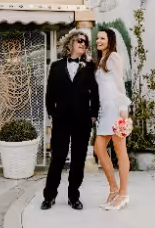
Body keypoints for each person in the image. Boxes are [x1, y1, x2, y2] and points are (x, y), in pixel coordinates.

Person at [41, 30, 99, 211]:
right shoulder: (56, 66)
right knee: (57, 158)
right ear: (70, 43)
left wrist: (93, 114)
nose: (83, 44)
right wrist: (53, 112)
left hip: (82, 121)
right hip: (62, 120)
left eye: (85, 42)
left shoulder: (89, 67)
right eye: (79, 41)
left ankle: (74, 197)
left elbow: (95, 93)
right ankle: (49, 196)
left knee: (78, 159)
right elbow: (50, 93)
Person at [93, 28, 132, 211]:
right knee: (99, 148)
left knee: (119, 149)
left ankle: (123, 194)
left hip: (115, 109)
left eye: (102, 38)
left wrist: (123, 108)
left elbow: (119, 83)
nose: (98, 40)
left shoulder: (114, 57)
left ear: (110, 40)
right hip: (104, 111)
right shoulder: (101, 59)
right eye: (97, 38)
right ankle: (113, 189)